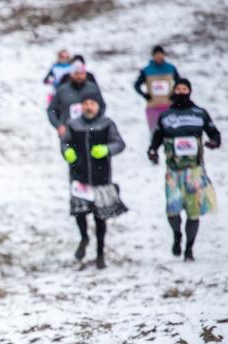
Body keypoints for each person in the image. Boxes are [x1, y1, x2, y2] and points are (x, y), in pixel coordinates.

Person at [148, 78, 220, 261]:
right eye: (178, 88)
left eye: (184, 88)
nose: (181, 91)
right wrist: (152, 151)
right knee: (172, 209)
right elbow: (157, 137)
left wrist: (214, 142)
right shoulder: (166, 115)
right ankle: (177, 235)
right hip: (173, 170)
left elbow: (214, 133)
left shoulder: (199, 114)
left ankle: (189, 248)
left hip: (194, 170)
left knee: (193, 210)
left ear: (190, 90)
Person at [60, 91, 127, 269]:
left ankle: (100, 254)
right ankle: (83, 238)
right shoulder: (73, 124)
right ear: (81, 106)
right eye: (86, 103)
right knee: (79, 213)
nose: (89, 106)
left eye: (92, 103)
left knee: (100, 218)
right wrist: (67, 151)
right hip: (79, 177)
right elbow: (64, 142)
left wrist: (107, 149)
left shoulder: (107, 124)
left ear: (98, 106)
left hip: (101, 178)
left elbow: (119, 143)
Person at [48, 59, 105, 138]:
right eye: (76, 73)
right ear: (71, 75)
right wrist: (58, 125)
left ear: (85, 74)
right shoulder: (62, 90)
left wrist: (98, 121)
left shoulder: (92, 88)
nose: (79, 76)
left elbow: (102, 106)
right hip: (68, 131)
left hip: (90, 130)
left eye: (81, 73)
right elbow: (51, 109)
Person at [134, 45, 180, 134]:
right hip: (153, 107)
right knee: (155, 133)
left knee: (171, 132)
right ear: (153, 56)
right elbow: (136, 85)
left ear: (164, 55)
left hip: (169, 106)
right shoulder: (146, 70)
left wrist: (174, 94)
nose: (159, 57)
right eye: (157, 55)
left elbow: (179, 83)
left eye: (161, 54)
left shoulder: (171, 68)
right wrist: (145, 95)